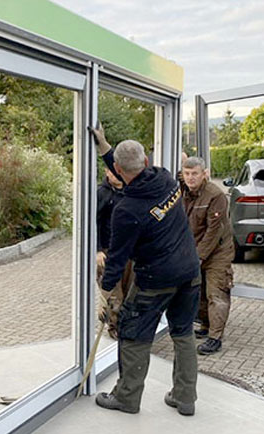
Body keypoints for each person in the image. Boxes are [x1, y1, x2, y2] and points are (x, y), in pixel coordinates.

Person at [90, 125, 201, 416]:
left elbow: (117, 257)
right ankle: (185, 397)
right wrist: (104, 146)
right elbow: (129, 170)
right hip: (190, 272)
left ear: (116, 169)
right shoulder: (164, 179)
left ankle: (126, 398)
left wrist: (106, 290)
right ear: (147, 162)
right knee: (183, 333)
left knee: (133, 334)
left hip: (156, 278)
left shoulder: (127, 210)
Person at [181, 157, 234, 355]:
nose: (190, 177)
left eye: (195, 173)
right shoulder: (183, 190)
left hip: (218, 252)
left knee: (216, 293)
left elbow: (214, 231)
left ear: (205, 173)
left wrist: (198, 257)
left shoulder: (215, 195)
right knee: (199, 290)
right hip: (196, 250)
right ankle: (205, 325)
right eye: (187, 173)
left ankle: (215, 338)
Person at [96, 168, 133, 339]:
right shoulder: (101, 194)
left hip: (129, 250)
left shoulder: (131, 190)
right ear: (107, 172)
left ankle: (127, 327)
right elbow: (92, 223)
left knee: (130, 291)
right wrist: (97, 250)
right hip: (108, 251)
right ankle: (115, 329)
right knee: (114, 294)